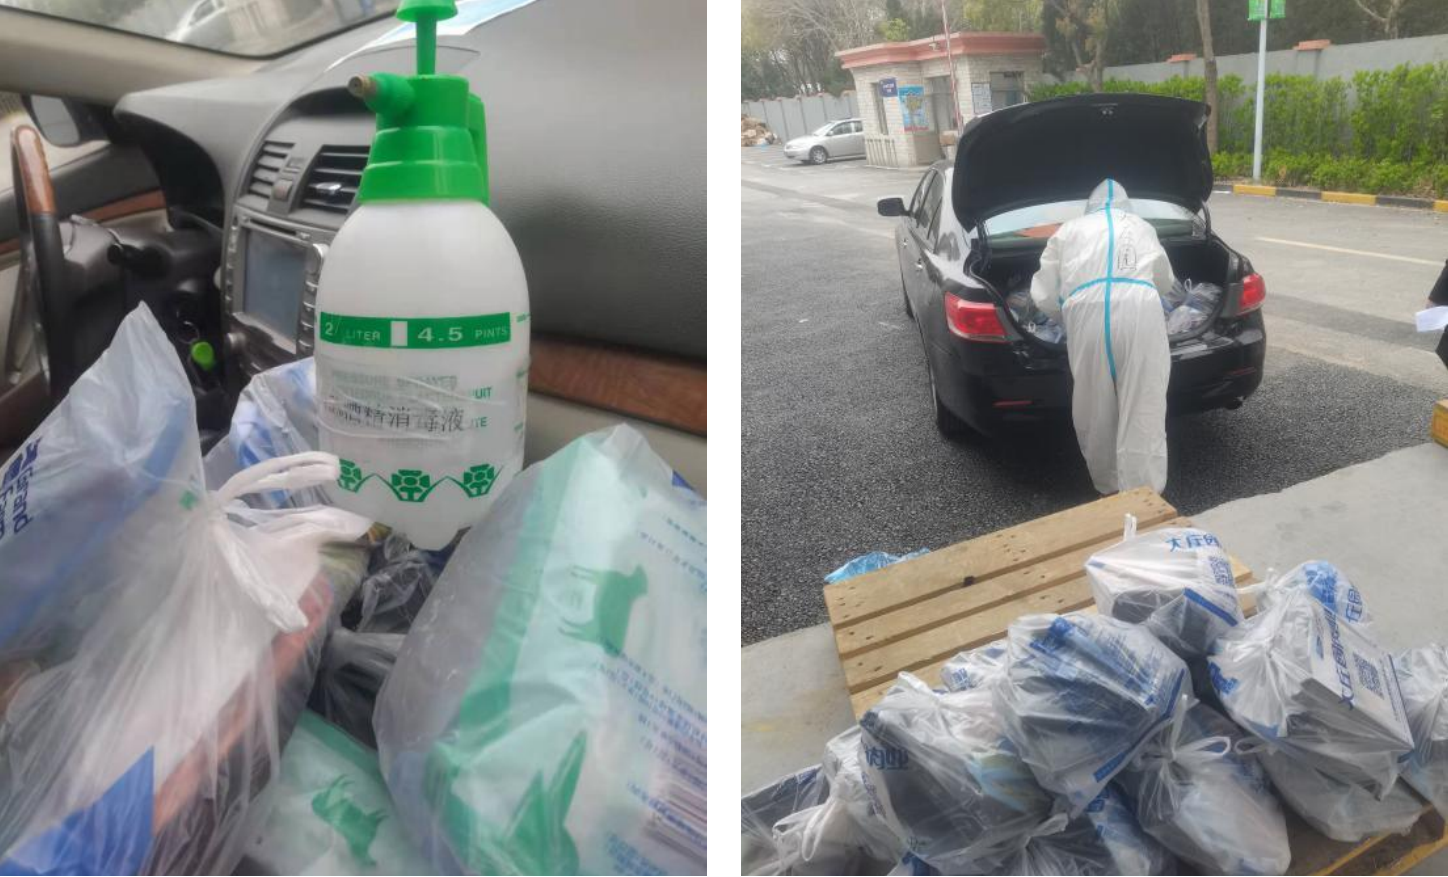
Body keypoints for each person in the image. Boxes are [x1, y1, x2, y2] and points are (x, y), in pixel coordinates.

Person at [1031, 179, 1175, 495]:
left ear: (1089, 208)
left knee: (1095, 406)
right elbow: (1165, 281)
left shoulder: (1068, 230)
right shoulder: (1142, 226)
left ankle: (1107, 488)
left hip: (1085, 312)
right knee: (1143, 403)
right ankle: (1143, 496)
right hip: (1140, 310)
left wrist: (1064, 315)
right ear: (1127, 206)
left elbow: (1043, 294)